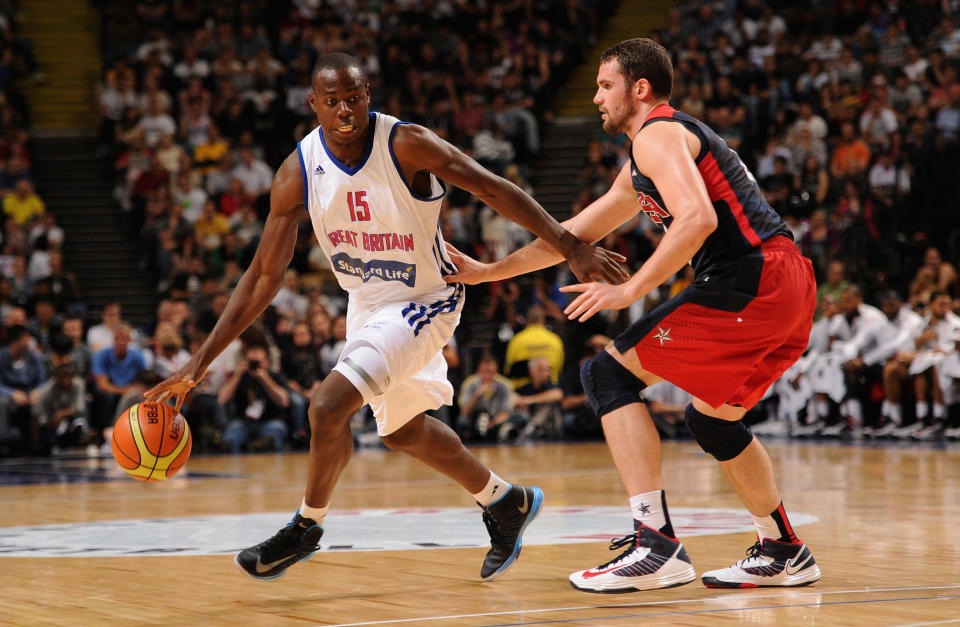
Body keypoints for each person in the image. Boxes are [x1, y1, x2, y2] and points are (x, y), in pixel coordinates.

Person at [145, 52, 625, 582]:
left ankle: (306, 527)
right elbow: (263, 276)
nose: (345, 110)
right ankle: (504, 501)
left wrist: (570, 245)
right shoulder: (297, 171)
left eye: (354, 97)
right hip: (368, 305)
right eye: (332, 102)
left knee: (328, 406)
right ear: (313, 105)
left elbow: (491, 187)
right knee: (401, 432)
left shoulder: (405, 143)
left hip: (426, 296)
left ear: (368, 93)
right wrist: (199, 360)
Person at [447, 39, 821, 592]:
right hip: (784, 284)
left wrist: (633, 290)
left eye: (604, 86)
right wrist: (487, 272)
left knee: (606, 373)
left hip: (751, 278)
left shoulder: (658, 134)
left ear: (639, 89)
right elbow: (568, 238)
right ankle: (785, 547)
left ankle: (656, 544)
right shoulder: (643, 160)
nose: (596, 98)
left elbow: (696, 219)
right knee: (711, 420)